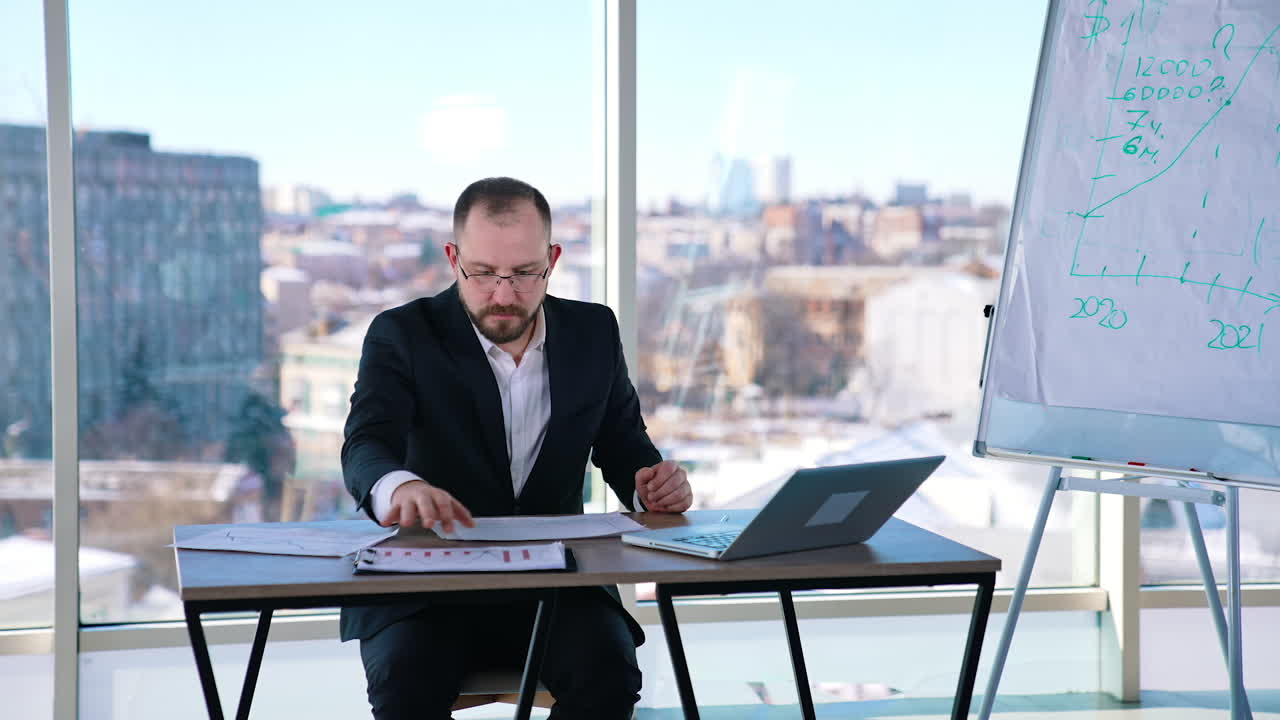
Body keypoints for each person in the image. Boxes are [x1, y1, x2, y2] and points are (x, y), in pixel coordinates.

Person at [341, 176, 692, 720]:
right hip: (429, 588)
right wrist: (399, 486)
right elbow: (366, 442)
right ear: (454, 257)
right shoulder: (402, 334)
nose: (503, 295)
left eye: (525, 274)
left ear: (552, 259)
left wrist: (653, 482)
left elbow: (625, 445)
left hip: (555, 583)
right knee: (404, 684)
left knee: (611, 677)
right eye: (483, 273)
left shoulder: (593, 332)